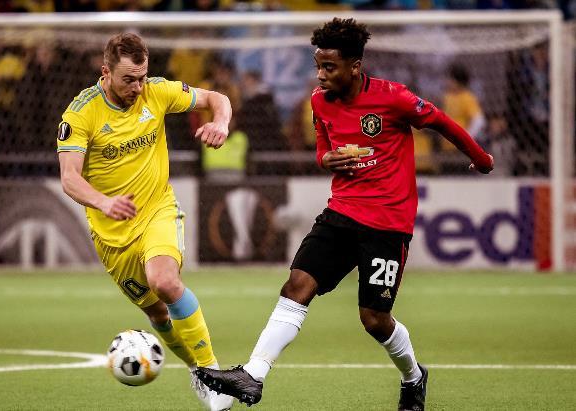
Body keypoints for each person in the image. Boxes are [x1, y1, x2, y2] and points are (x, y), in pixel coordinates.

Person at [196, 18, 494, 411]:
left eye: (329, 67)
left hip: (387, 222)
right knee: (297, 285)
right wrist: (327, 159)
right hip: (342, 212)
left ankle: (413, 377)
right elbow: (323, 148)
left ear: (355, 66)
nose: (320, 75)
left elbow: (441, 122)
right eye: (317, 66)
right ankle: (253, 374)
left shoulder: (393, 98)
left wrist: (481, 159)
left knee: (374, 319)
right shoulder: (320, 101)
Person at [56, 33, 234, 411]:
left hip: (156, 210)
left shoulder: (157, 91)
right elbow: (69, 178)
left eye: (142, 77)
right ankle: (195, 370)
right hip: (112, 234)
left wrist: (220, 122)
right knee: (157, 312)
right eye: (128, 80)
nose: (137, 87)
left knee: (164, 282)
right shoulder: (81, 113)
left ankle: (211, 371)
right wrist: (104, 202)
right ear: (105, 72)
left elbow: (217, 98)